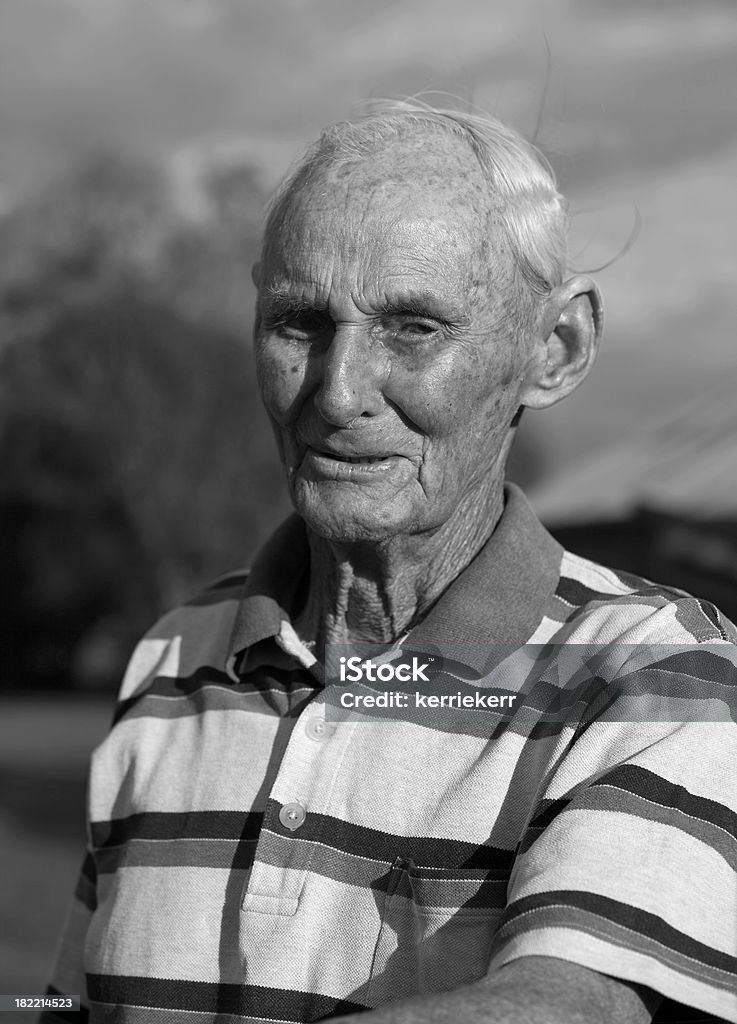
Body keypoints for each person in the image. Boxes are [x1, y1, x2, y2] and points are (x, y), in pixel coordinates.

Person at [44, 99, 737, 1024]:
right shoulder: (173, 659)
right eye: (297, 323)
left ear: (556, 350)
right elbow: (63, 1002)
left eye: (413, 328)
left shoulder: (658, 676)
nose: (336, 393)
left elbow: (573, 1009)